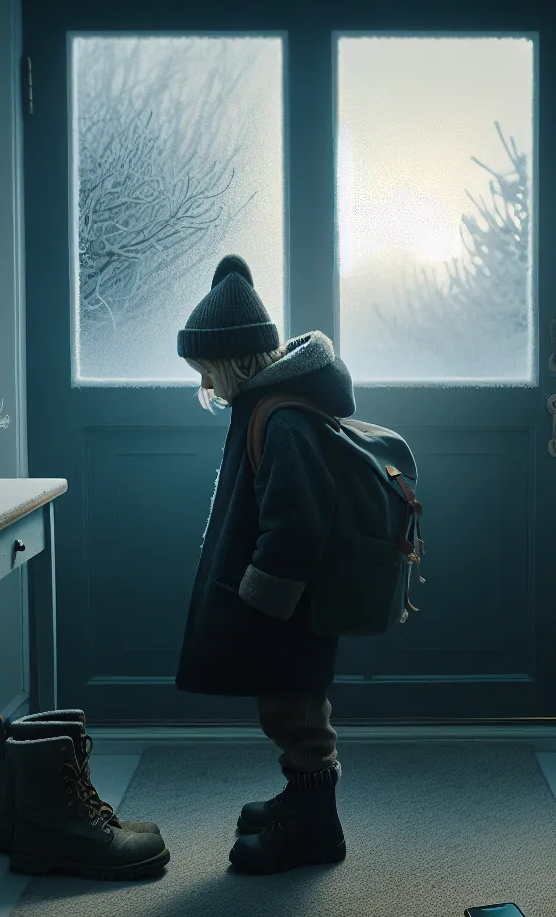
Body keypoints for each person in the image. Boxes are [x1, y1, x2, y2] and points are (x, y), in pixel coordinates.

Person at [176, 254, 351, 875]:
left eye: (206, 371)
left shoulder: (280, 419)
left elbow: (297, 524)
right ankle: (301, 800)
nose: (204, 385)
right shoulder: (265, 407)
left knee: (297, 709)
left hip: (288, 608)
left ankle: (314, 826)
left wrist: (261, 603)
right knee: (289, 706)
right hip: (286, 606)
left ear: (232, 361)